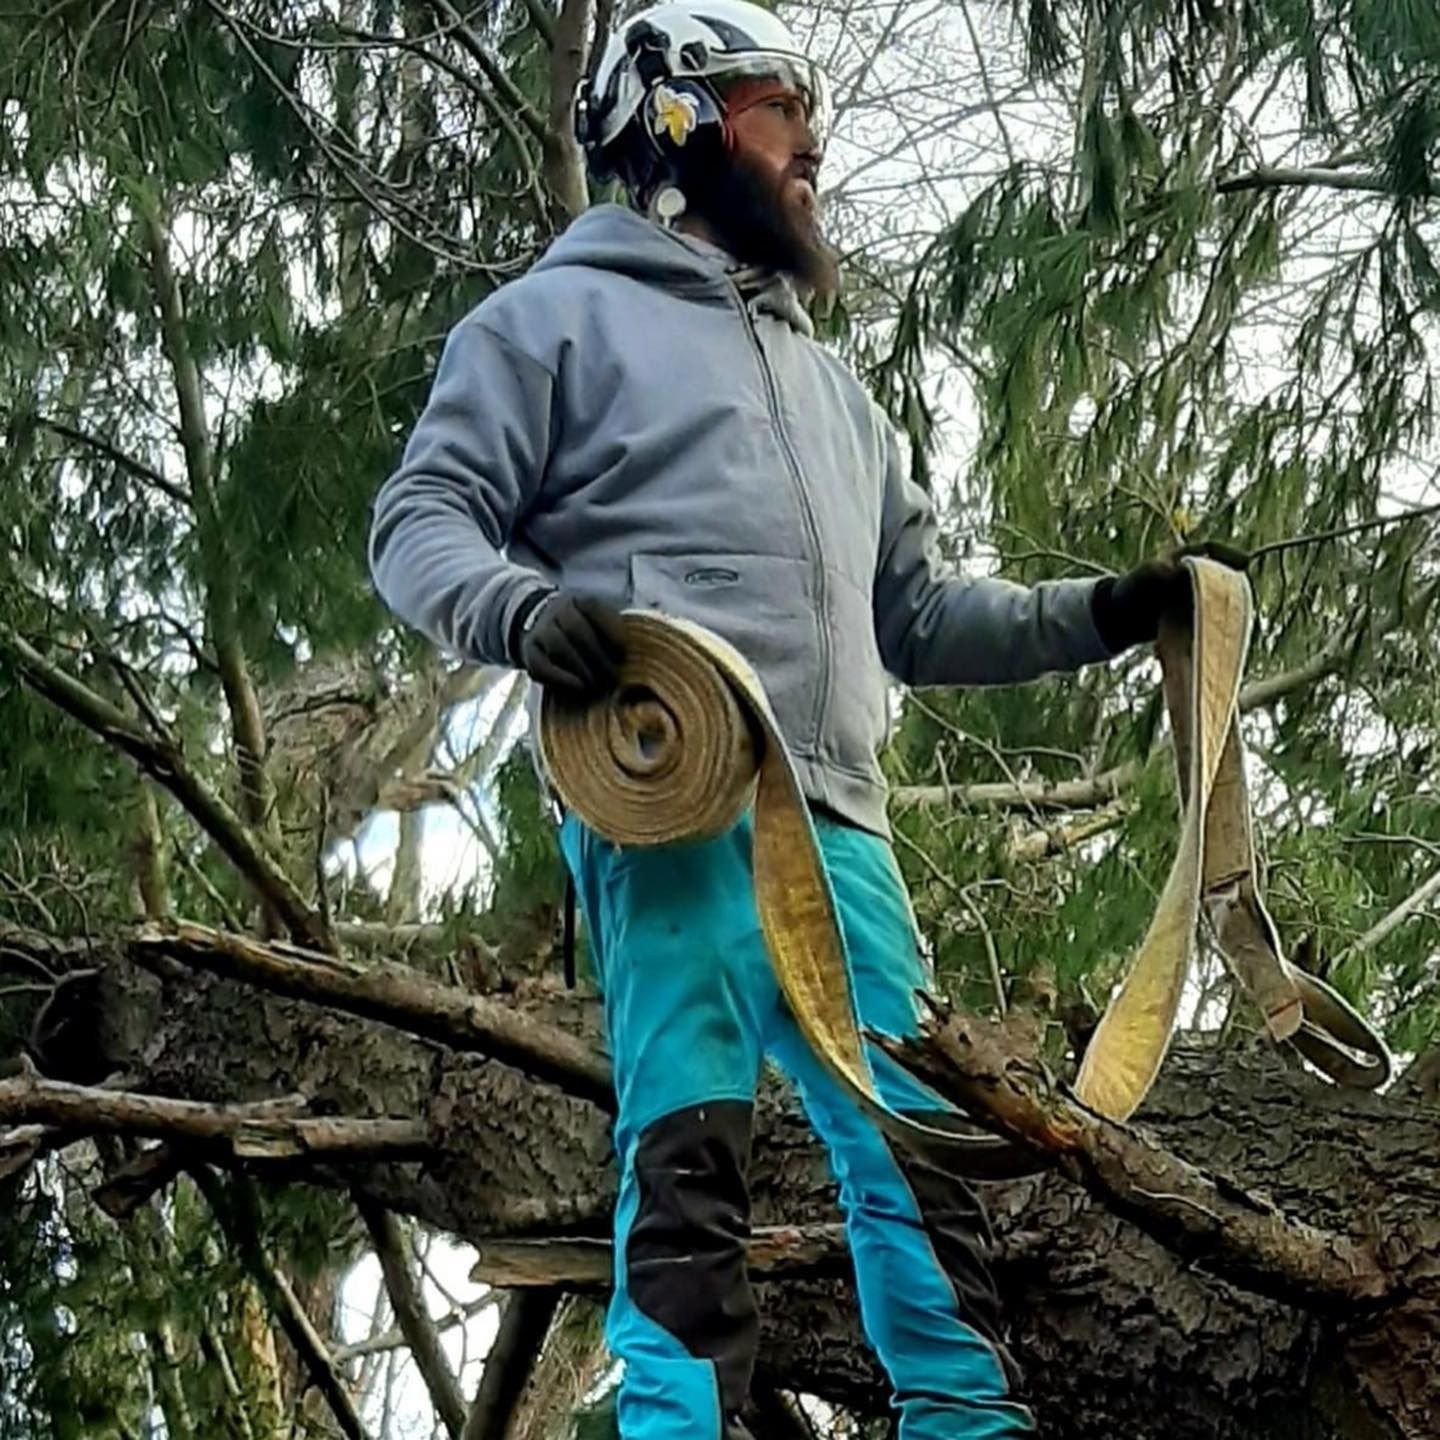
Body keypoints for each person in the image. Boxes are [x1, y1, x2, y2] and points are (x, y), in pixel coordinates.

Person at [368, 4, 1225, 1435]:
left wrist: (1108, 610)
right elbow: (420, 520)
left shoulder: (840, 395)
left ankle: (966, 1424)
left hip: (846, 827)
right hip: (675, 807)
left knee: (924, 1160)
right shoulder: (550, 320)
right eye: (778, 104)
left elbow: (924, 620)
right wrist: (520, 616)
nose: (813, 137)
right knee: (689, 1162)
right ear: (678, 124)